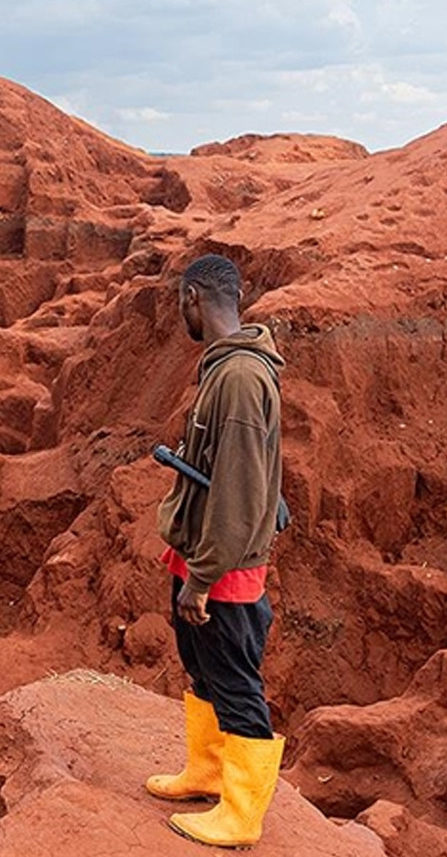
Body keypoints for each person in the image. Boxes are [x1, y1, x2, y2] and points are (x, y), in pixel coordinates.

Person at [145, 254, 286, 848]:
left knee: (234, 681)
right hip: (202, 557)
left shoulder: (242, 378)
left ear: (195, 297)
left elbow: (240, 488)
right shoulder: (226, 370)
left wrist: (202, 578)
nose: (183, 313)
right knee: (203, 667)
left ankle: (242, 815)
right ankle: (206, 773)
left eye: (182, 302)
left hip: (222, 569)